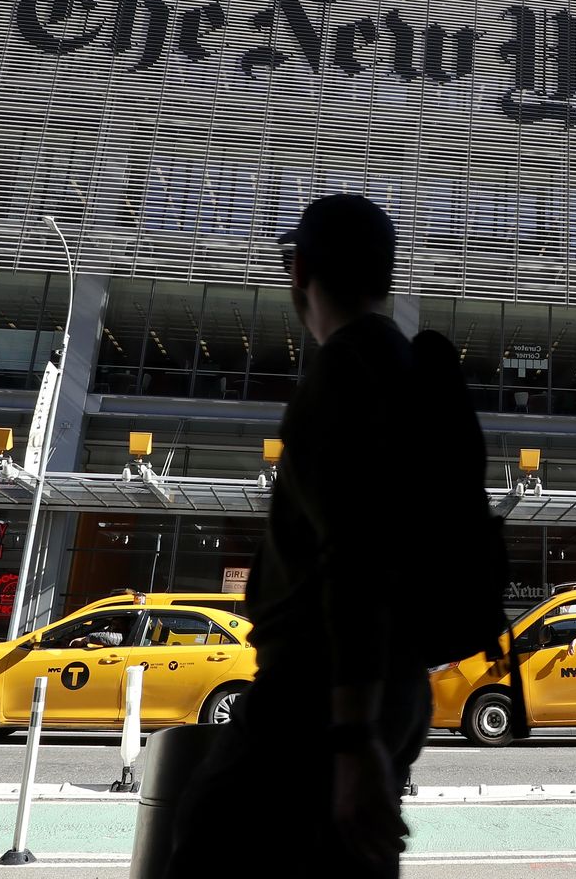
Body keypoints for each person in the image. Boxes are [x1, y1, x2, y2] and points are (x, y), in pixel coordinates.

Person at [169, 194, 428, 876]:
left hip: (318, 690)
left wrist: (350, 736)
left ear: (300, 271)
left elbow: (356, 552)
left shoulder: (344, 371)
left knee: (208, 836)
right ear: (387, 278)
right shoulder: (405, 369)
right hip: (387, 684)